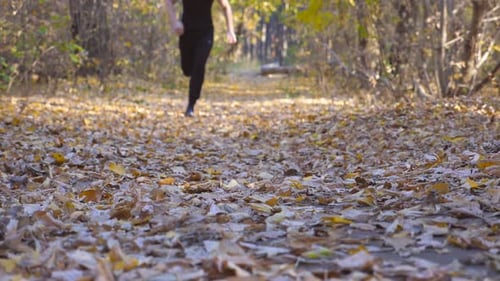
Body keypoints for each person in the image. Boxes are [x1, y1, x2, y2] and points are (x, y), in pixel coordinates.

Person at [166, 0, 237, 117]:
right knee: (187, 69)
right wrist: (175, 23)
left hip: (205, 32)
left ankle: (191, 105)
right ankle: (191, 98)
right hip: (187, 32)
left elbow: (226, 6)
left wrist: (230, 30)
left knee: (199, 66)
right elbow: (169, 2)